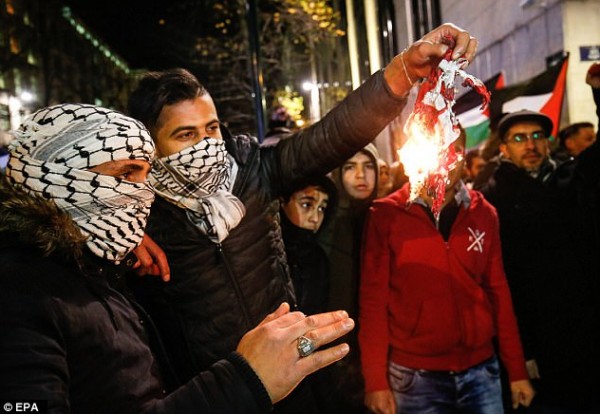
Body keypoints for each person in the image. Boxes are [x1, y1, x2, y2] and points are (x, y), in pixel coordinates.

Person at [125, 23, 479, 411]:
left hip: (294, 383)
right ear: (150, 145)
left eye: (211, 129)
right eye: (186, 135)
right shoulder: (135, 215)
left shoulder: (252, 171)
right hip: (212, 398)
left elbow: (330, 136)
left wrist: (403, 72)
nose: (206, 146)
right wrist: (127, 235)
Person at [0, 103, 355, 413]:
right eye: (126, 174)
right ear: (60, 174)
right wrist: (244, 379)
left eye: (145, 174)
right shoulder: (20, 295)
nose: (143, 194)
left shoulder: (96, 266)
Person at [359, 132, 534, 414]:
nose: (445, 161)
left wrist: (516, 370)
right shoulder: (386, 215)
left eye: (454, 150)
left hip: (481, 370)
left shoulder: (483, 212)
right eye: (436, 150)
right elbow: (373, 303)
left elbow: (499, 292)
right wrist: (375, 382)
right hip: (415, 377)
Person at [478, 104, 600, 412]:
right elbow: (500, 280)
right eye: (519, 138)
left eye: (536, 136)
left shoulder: (569, 180)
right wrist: (522, 352)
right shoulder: (491, 197)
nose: (530, 145)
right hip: (534, 336)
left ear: (548, 142)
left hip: (583, 327)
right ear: (504, 148)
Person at [317, 143, 380, 413]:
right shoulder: (325, 224)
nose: (360, 175)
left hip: (381, 350)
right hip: (339, 351)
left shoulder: (387, 218)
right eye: (350, 167)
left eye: (368, 167)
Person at [278, 175, 339, 412]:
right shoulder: (267, 252)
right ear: (282, 202)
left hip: (312, 366)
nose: (315, 217)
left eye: (322, 208)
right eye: (306, 204)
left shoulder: (318, 258)